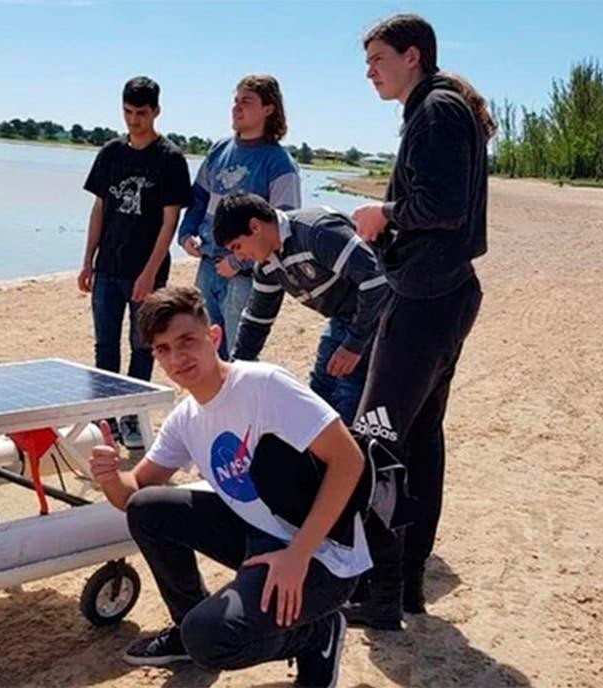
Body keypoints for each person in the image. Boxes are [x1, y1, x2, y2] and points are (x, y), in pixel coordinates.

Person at [89, 285, 367, 688]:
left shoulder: (263, 385)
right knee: (148, 508)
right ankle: (186, 623)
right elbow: (131, 495)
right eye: (163, 349)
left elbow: (348, 460)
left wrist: (297, 554)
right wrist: (111, 476)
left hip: (322, 554)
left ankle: (316, 636)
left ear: (214, 337)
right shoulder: (186, 417)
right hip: (259, 537)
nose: (178, 357)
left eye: (187, 341)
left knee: (210, 639)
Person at [346, 13, 495, 628]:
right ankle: (404, 583)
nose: (371, 72)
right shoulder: (440, 108)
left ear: (413, 55)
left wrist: (383, 213)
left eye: (379, 60)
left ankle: (382, 593)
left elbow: (441, 205)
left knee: (378, 437)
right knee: (417, 439)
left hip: (428, 295)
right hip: (444, 291)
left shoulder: (434, 110)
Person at [79, 76, 192, 450]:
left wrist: (148, 273)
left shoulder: (170, 159)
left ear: (156, 111)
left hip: (146, 271)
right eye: (127, 112)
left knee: (142, 347)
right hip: (107, 267)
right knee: (105, 347)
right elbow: (98, 209)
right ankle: (104, 417)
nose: (133, 120)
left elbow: (169, 221)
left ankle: (131, 418)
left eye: (141, 113)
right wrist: (87, 261)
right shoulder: (111, 153)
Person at [213, 192, 387, 425]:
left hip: (387, 314)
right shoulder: (267, 265)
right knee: (320, 392)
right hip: (344, 317)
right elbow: (257, 320)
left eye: (237, 247)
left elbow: (376, 282)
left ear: (255, 227)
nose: (240, 257)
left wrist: (354, 344)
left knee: (350, 396)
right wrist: (237, 372)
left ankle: (350, 456)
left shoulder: (317, 232)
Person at [177, 75, 301, 360]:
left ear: (268, 109)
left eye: (246, 101)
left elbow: (285, 228)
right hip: (207, 268)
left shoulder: (280, 163)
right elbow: (198, 198)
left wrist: (237, 261)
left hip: (246, 277)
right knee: (205, 351)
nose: (236, 108)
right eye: (235, 101)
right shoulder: (219, 150)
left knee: (239, 356)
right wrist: (186, 233)